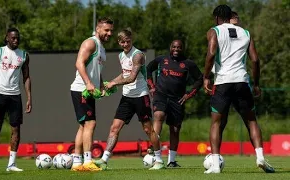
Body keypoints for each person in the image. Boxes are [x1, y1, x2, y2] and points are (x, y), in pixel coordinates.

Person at [203, 5, 275, 174]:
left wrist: (206, 76)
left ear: (216, 18)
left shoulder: (214, 31)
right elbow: (255, 60)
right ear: (230, 16)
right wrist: (256, 84)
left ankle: (215, 165)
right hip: (242, 82)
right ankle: (260, 157)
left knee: (216, 123)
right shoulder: (246, 33)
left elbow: (211, 54)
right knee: (251, 121)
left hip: (222, 82)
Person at [94, 28, 165, 170]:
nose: (126, 44)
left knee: (148, 130)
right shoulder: (121, 56)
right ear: (119, 42)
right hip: (126, 97)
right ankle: (104, 160)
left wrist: (114, 83)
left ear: (131, 40)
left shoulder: (138, 55)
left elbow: (132, 78)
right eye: (123, 42)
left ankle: (159, 161)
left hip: (141, 96)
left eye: (128, 41)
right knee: (114, 128)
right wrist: (109, 83)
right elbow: (124, 74)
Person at [146, 40, 203, 168]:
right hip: (160, 95)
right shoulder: (161, 59)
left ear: (183, 49)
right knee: (158, 115)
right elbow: (148, 69)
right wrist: (151, 86)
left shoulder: (188, 64)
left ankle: (171, 161)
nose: (176, 49)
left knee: (175, 129)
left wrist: (189, 94)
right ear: (170, 47)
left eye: (179, 47)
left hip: (177, 99)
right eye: (174, 47)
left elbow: (200, 79)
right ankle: (154, 147)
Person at [70, 17, 114, 171]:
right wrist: (89, 82)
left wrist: (101, 84)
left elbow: (97, 70)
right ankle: (88, 161)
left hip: (89, 91)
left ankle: (76, 163)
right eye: (106, 30)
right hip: (81, 89)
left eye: (111, 31)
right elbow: (79, 63)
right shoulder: (90, 43)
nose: (109, 33)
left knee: (83, 126)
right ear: (98, 29)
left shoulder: (102, 49)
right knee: (91, 123)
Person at [0, 27, 32, 172]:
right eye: (13, 38)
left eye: (17, 38)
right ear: (7, 38)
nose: (16, 40)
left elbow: (26, 77)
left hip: (15, 96)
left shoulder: (24, 55)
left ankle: (11, 164)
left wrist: (29, 98)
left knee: (16, 130)